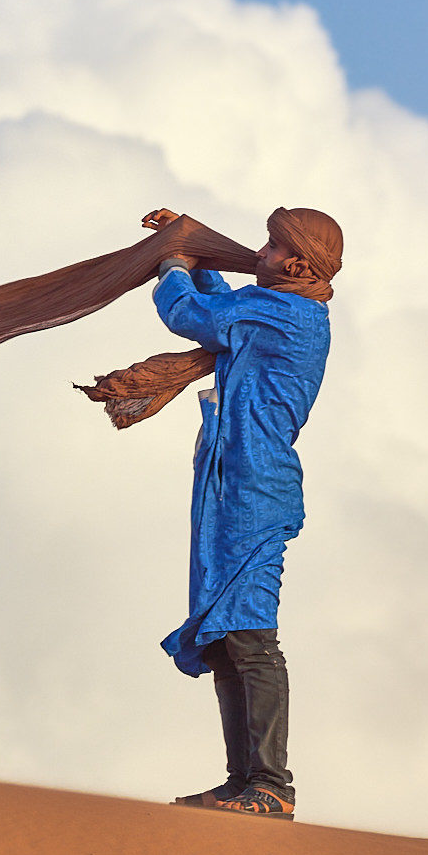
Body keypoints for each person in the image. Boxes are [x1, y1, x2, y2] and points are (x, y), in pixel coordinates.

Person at [145, 206, 344, 821]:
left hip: (255, 492)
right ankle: (244, 783)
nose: (258, 252)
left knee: (252, 636)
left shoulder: (286, 312)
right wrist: (191, 244)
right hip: (235, 486)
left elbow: (196, 317)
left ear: (296, 263)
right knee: (226, 636)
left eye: (268, 246)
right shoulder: (275, 309)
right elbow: (225, 311)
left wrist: (177, 262)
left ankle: (271, 785)